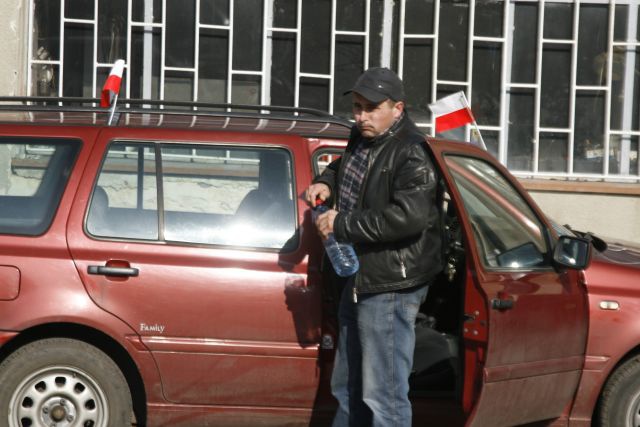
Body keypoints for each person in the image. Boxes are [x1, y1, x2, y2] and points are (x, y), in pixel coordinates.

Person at [305, 67, 442, 427]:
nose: (361, 116)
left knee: (384, 394)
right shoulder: (362, 136)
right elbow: (343, 170)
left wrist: (342, 223)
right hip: (357, 275)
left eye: (370, 108)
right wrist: (325, 183)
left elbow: (407, 218)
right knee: (348, 386)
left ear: (398, 108)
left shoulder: (413, 153)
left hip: (390, 284)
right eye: (357, 107)